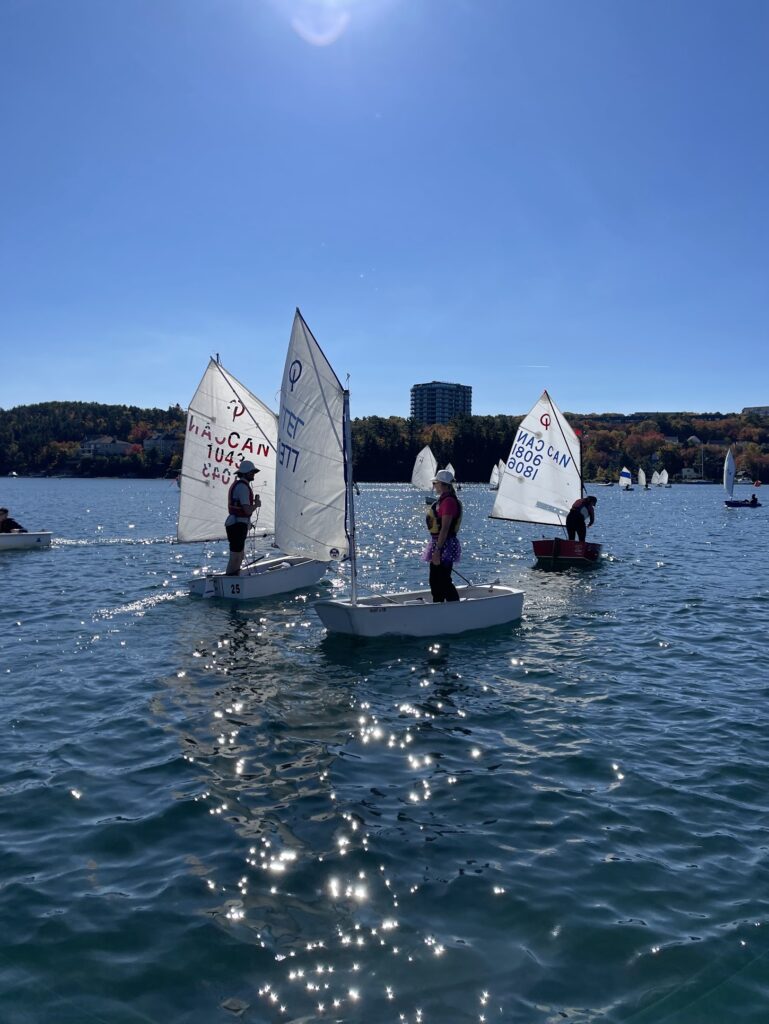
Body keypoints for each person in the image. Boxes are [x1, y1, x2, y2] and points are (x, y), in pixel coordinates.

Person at [423, 469, 462, 602]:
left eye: (436, 483)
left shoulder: (448, 502)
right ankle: (438, 606)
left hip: (444, 545)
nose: (434, 486)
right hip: (439, 543)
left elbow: (445, 529)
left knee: (443, 580)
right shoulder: (443, 500)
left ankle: (456, 607)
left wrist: (438, 551)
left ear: (444, 485)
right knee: (435, 581)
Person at [224, 461, 261, 576]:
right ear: (245, 473)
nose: (253, 474)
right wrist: (256, 505)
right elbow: (247, 510)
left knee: (239, 555)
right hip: (237, 525)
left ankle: (234, 576)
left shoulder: (241, 485)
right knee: (236, 556)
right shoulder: (243, 488)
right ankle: (230, 579)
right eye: (252, 472)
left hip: (237, 524)